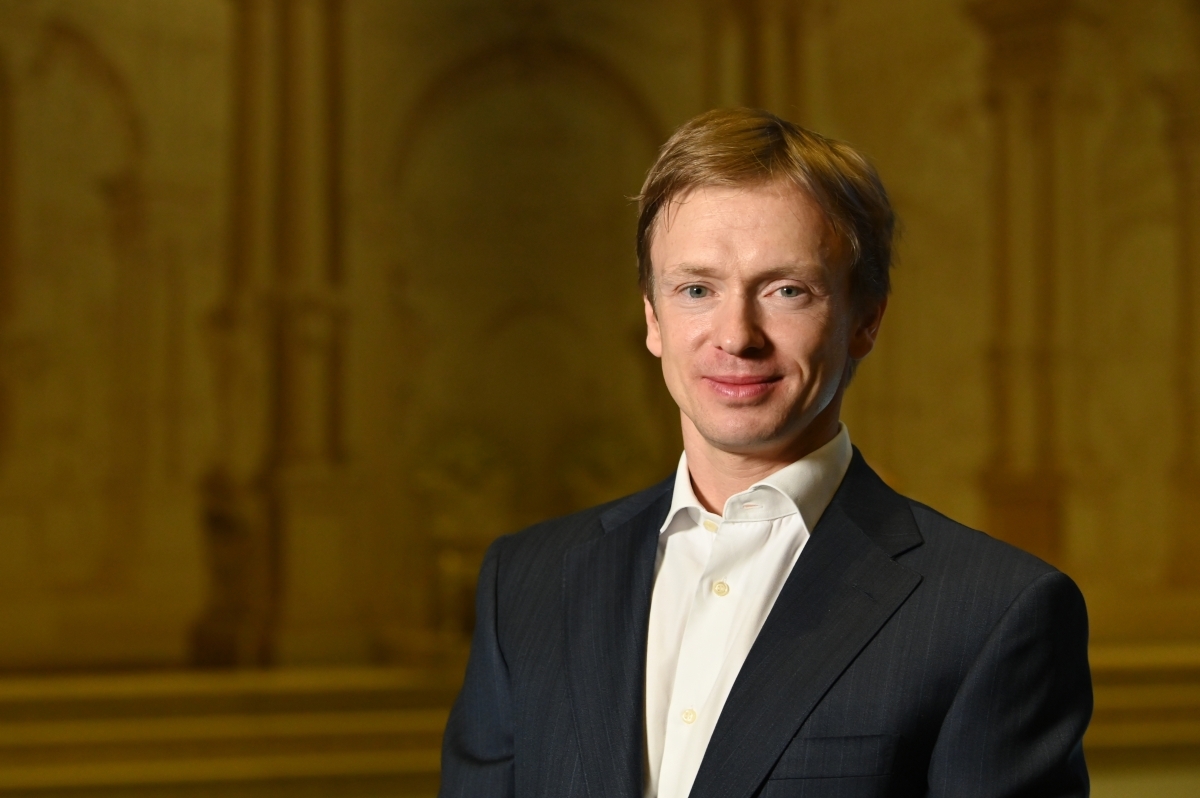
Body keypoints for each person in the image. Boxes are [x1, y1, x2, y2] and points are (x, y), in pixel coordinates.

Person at [439, 107, 1092, 798]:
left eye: (786, 291)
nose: (736, 336)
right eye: (696, 289)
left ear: (866, 320)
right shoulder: (526, 584)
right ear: (653, 318)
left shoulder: (992, 613)